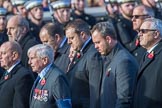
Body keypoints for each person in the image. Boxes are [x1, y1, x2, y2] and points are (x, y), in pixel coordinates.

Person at [91, 21, 139, 108]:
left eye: (98, 42)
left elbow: (124, 100)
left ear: (108, 39)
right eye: (94, 43)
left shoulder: (124, 62)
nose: (95, 47)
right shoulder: (109, 58)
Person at [65, 19, 102, 108]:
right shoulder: (80, 51)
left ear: (83, 35)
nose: (68, 42)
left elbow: (95, 91)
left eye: (72, 38)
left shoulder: (93, 55)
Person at [28, 44, 72, 108]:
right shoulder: (40, 76)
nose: (29, 62)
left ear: (44, 60)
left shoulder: (57, 78)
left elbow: (64, 106)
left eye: (32, 58)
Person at [133, 18, 162, 108]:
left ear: (156, 34)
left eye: (143, 31)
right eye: (138, 31)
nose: (139, 34)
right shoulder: (147, 54)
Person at [0, 41, 34, 108]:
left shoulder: (23, 76)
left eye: (3, 53)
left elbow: (20, 105)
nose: (0, 57)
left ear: (14, 56)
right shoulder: (7, 72)